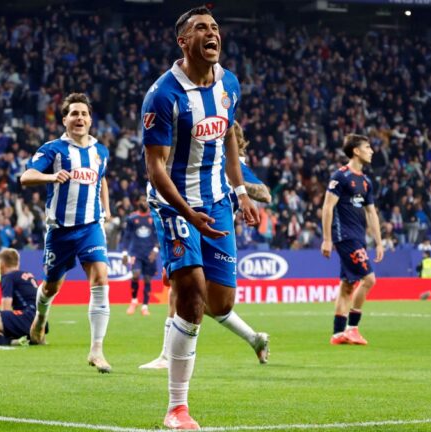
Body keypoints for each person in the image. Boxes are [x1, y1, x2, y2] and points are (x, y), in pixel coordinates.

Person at [141, 7, 265, 429]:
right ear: (183, 41)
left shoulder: (230, 83)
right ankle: (177, 408)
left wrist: (240, 191)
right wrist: (186, 211)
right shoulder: (163, 95)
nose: (212, 33)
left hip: (216, 203)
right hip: (174, 202)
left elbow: (229, 133)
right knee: (191, 292)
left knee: (220, 303)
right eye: (201, 28)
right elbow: (155, 167)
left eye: (215, 28)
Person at [139, 121, 274, 371]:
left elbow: (266, 195)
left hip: (218, 235)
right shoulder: (194, 162)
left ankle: (253, 338)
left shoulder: (234, 166)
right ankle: (168, 357)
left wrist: (238, 186)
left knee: (217, 305)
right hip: (191, 227)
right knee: (181, 290)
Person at [19, 93, 113, 373]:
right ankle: (40, 317)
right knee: (51, 287)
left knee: (100, 278)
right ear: (64, 119)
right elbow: (26, 177)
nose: (80, 118)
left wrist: (106, 210)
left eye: (84, 113)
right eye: (74, 113)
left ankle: (96, 351)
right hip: (60, 231)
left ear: (91, 119)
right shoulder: (54, 150)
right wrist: (51, 176)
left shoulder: (101, 151)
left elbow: (102, 179)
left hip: (90, 227)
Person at [321, 134, 384, 346]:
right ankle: (353, 328)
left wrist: (379, 241)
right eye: (367, 147)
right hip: (344, 236)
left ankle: (338, 334)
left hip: (358, 237)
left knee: (348, 285)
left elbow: (371, 213)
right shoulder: (341, 176)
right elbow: (328, 207)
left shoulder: (365, 182)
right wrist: (327, 239)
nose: (371, 151)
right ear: (356, 151)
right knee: (369, 279)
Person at [121, 194, 159, 316]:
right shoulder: (132, 218)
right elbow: (126, 236)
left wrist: (156, 250)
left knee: (148, 279)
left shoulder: (153, 217)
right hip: (135, 252)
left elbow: (159, 234)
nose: (144, 202)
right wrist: (125, 252)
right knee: (135, 275)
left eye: (146, 200)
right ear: (137, 202)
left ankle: (145, 306)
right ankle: (134, 301)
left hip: (149, 253)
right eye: (142, 200)